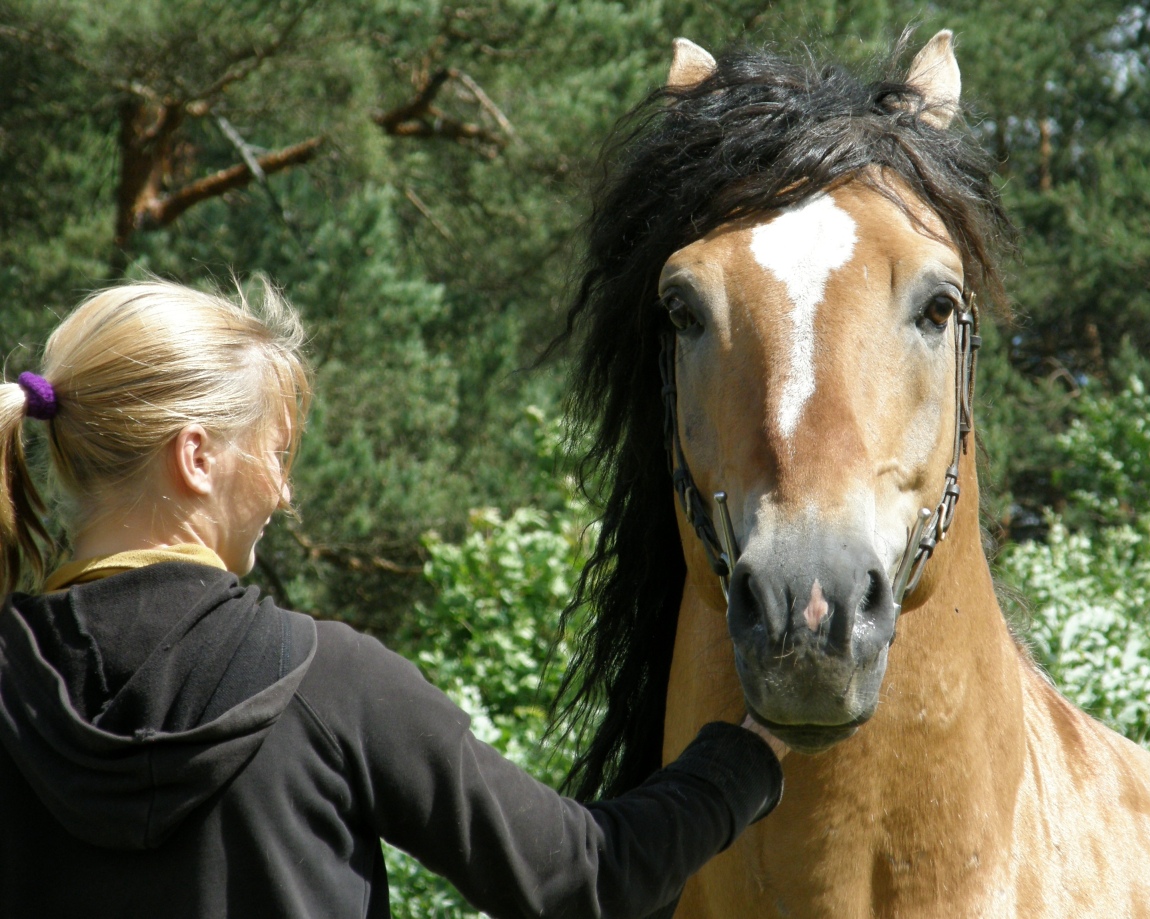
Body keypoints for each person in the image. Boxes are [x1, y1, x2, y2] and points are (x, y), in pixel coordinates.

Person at [0, 279, 785, 919]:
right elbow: (583, 878)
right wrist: (750, 752)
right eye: (275, 454)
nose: (283, 492)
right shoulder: (325, 681)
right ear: (196, 456)